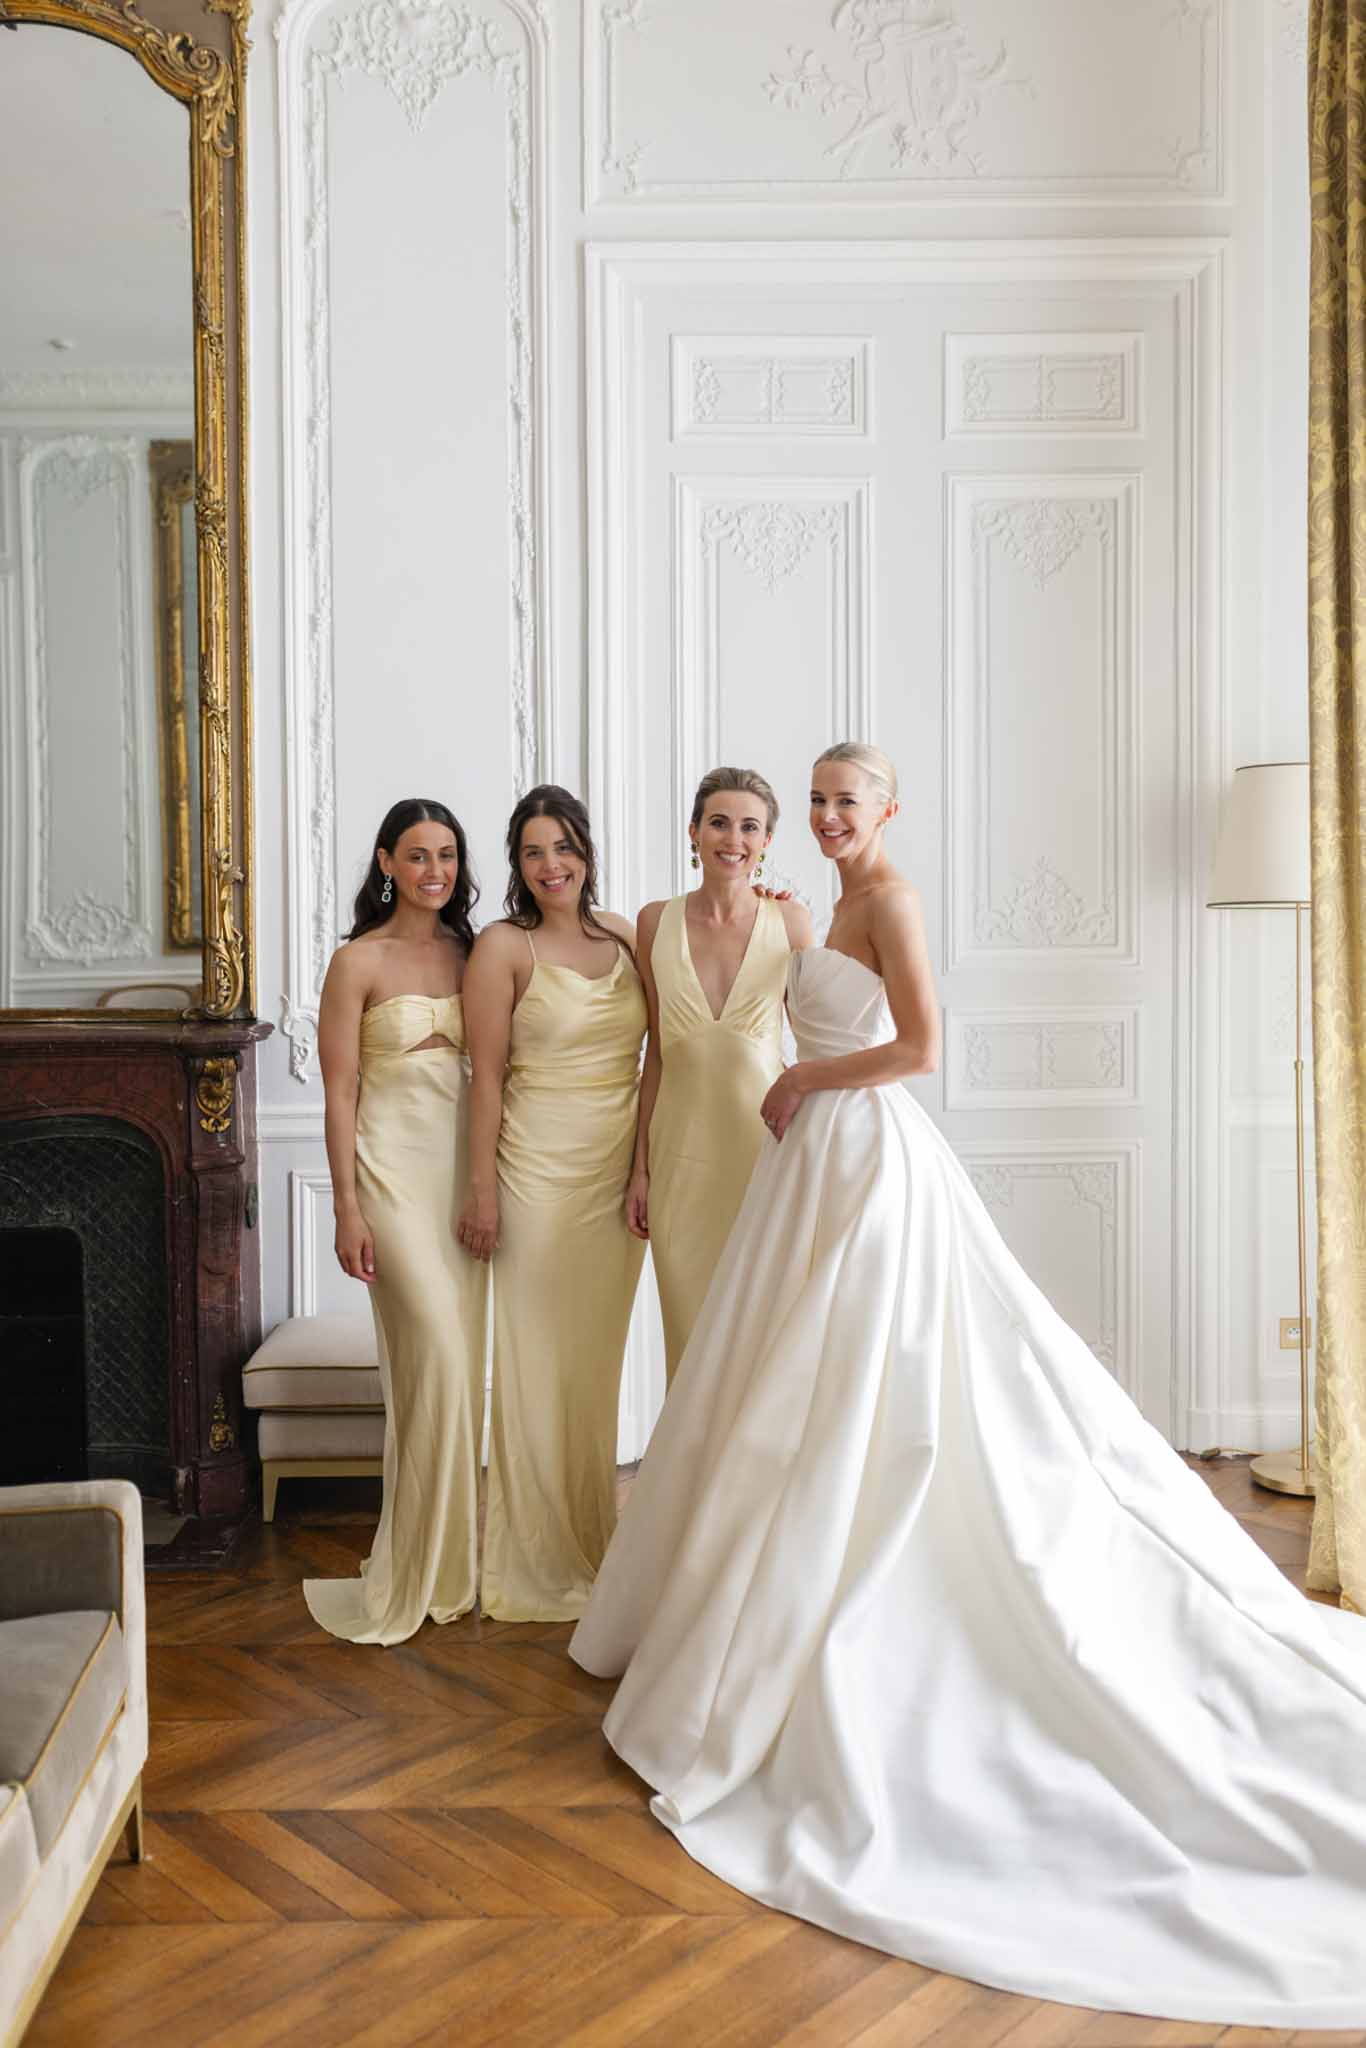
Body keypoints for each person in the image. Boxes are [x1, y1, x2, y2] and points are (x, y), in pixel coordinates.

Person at [570, 741, 1366, 2029]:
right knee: (774, 1384)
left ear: (886, 808)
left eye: (847, 800)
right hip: (808, 1162)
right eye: (815, 799)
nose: (830, 816)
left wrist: (804, 1075)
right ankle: (746, 1591)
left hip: (867, 1157)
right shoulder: (810, 902)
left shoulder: (888, 898)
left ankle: (843, 1581)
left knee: (865, 1391)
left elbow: (923, 1047)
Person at [459, 786, 647, 1621]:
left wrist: (644, 1171)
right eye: (534, 852)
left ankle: (594, 1541)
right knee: (535, 1366)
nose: (551, 865)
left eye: (564, 847)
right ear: (517, 863)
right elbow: (485, 1080)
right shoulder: (503, 947)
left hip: (616, 1178)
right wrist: (481, 1192)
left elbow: (670, 1057)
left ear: (587, 851)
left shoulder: (631, 937)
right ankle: (534, 1557)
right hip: (533, 1175)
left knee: (593, 1368)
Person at [303, 798, 487, 1646]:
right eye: (417, 856)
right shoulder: (356, 962)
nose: (435, 872)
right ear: (386, 863)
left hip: (466, 1182)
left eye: (447, 855)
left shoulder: (476, 951)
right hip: (390, 1181)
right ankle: (418, 1568)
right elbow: (339, 1096)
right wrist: (347, 1208)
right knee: (437, 1362)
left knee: (449, 1376)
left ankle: (455, 1566)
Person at [627, 767, 811, 1382]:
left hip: (765, 1154)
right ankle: (695, 1478)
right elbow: (654, 1052)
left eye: (749, 827)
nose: (733, 838)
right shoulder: (654, 922)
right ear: (694, 832)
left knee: (764, 1332)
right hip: (680, 1161)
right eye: (719, 822)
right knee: (691, 1333)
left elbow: (814, 1049)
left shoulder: (792, 923)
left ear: (765, 843)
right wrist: (640, 1169)